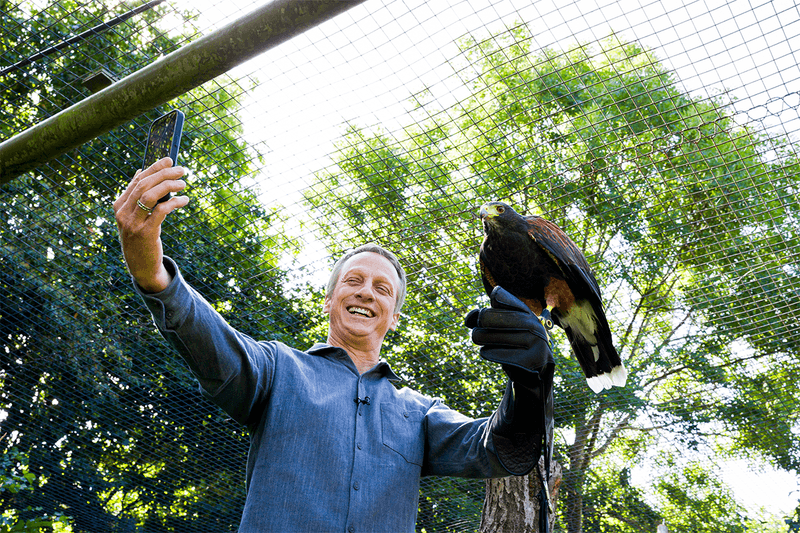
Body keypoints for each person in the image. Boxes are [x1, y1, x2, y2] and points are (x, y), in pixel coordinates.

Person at [114, 158, 554, 532]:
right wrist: (155, 276)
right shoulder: (278, 369)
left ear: (394, 317)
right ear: (329, 301)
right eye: (354, 281)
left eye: (383, 289)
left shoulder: (419, 412)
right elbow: (214, 343)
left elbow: (497, 448)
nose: (366, 292)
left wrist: (530, 383)